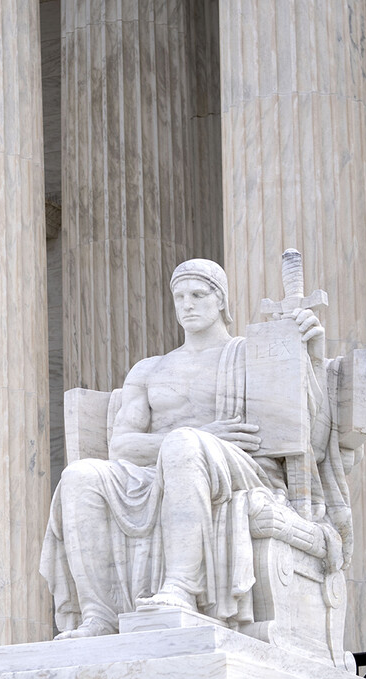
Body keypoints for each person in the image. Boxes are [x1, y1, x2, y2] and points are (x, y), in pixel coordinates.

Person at [40, 259, 330, 639]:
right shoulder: (149, 370)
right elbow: (122, 446)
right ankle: (99, 614)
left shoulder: (251, 355)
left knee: (184, 443)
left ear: (221, 300)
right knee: (79, 476)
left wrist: (312, 355)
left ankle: (180, 588)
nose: (187, 305)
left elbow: (311, 432)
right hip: (159, 468)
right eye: (179, 297)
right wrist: (204, 431)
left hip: (240, 468)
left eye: (198, 294)